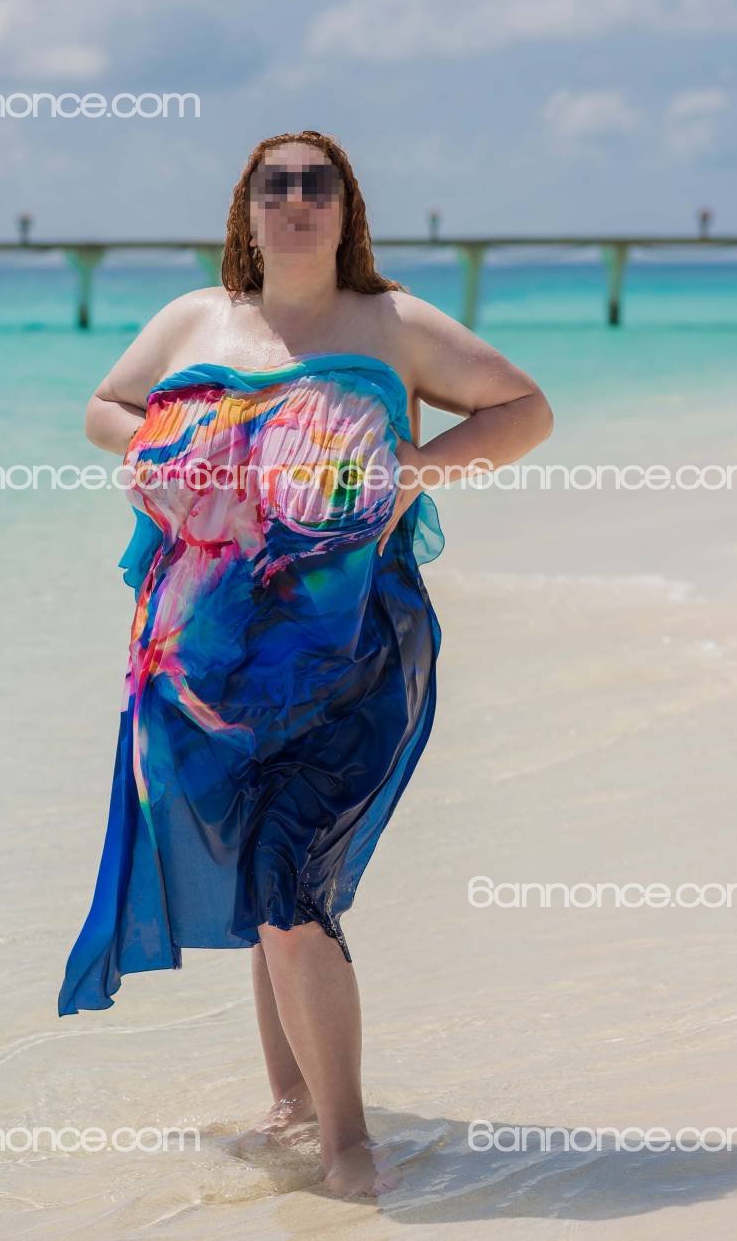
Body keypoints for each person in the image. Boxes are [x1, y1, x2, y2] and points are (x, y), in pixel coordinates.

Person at [58, 130, 554, 1198]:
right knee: (263, 883)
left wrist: (418, 468)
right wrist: (169, 451)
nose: (293, 201)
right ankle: (289, 1103)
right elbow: (106, 409)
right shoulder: (193, 320)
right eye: (272, 185)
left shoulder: (390, 324)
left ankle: (349, 1151)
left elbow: (525, 410)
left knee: (289, 891)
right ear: (246, 209)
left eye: (314, 185)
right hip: (206, 667)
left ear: (345, 209)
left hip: (356, 662)